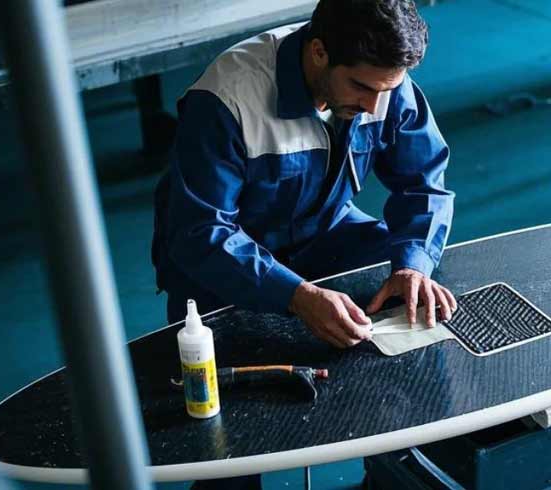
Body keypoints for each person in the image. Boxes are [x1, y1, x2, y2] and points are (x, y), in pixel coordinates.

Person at [151, 1, 455, 485]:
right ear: (318, 52)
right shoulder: (227, 98)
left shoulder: (382, 81)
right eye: (361, 88)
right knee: (227, 435)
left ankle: (393, 473)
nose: (377, 106)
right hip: (220, 265)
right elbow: (201, 232)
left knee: (417, 311)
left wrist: (413, 264)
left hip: (327, 236)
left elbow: (423, 184)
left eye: (388, 91)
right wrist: (296, 295)